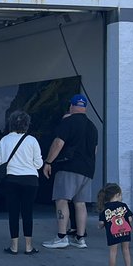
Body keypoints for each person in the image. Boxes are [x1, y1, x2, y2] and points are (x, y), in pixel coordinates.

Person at [42, 94, 99, 249]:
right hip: (87, 170)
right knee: (80, 203)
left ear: (71, 106)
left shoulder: (68, 122)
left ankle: (61, 237)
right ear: (85, 107)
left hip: (69, 168)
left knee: (62, 200)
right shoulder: (92, 126)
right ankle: (80, 239)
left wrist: (48, 162)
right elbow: (94, 151)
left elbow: (58, 143)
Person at [0, 110, 44, 255]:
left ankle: (14, 246)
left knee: (13, 213)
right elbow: (39, 163)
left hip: (11, 180)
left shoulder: (4, 140)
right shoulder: (32, 140)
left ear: (11, 123)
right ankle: (29, 247)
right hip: (30, 180)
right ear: (27, 124)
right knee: (28, 213)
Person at [98, 182, 133, 266]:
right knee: (126, 250)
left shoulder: (105, 209)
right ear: (117, 195)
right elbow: (130, 219)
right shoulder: (123, 206)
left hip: (113, 232)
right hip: (125, 231)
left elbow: (101, 223)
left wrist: (101, 227)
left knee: (113, 252)